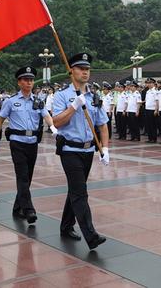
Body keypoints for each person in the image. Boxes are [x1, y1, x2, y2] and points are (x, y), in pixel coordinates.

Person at [52, 52, 109, 250]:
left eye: (87, 69)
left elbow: (102, 124)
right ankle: (90, 235)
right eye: (80, 68)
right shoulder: (61, 96)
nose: (85, 72)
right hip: (69, 150)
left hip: (87, 152)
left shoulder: (94, 97)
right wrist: (74, 106)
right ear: (71, 71)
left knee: (75, 191)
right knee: (80, 192)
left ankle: (66, 225)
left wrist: (105, 148)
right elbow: (57, 122)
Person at [0, 66, 56, 224]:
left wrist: (53, 127)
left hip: (32, 143)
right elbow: (0, 120)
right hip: (17, 143)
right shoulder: (11, 101)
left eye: (31, 80)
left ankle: (17, 207)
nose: (29, 83)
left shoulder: (38, 101)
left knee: (27, 178)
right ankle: (29, 210)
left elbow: (46, 115)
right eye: (26, 80)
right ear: (19, 82)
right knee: (22, 176)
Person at [143, 78, 158, 143]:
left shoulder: (156, 91)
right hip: (147, 109)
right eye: (148, 83)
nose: (149, 84)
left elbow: (157, 101)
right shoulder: (148, 91)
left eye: (150, 83)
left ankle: (154, 138)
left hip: (152, 110)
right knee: (148, 125)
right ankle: (150, 138)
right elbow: (146, 100)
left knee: (153, 125)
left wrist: (156, 110)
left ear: (153, 84)